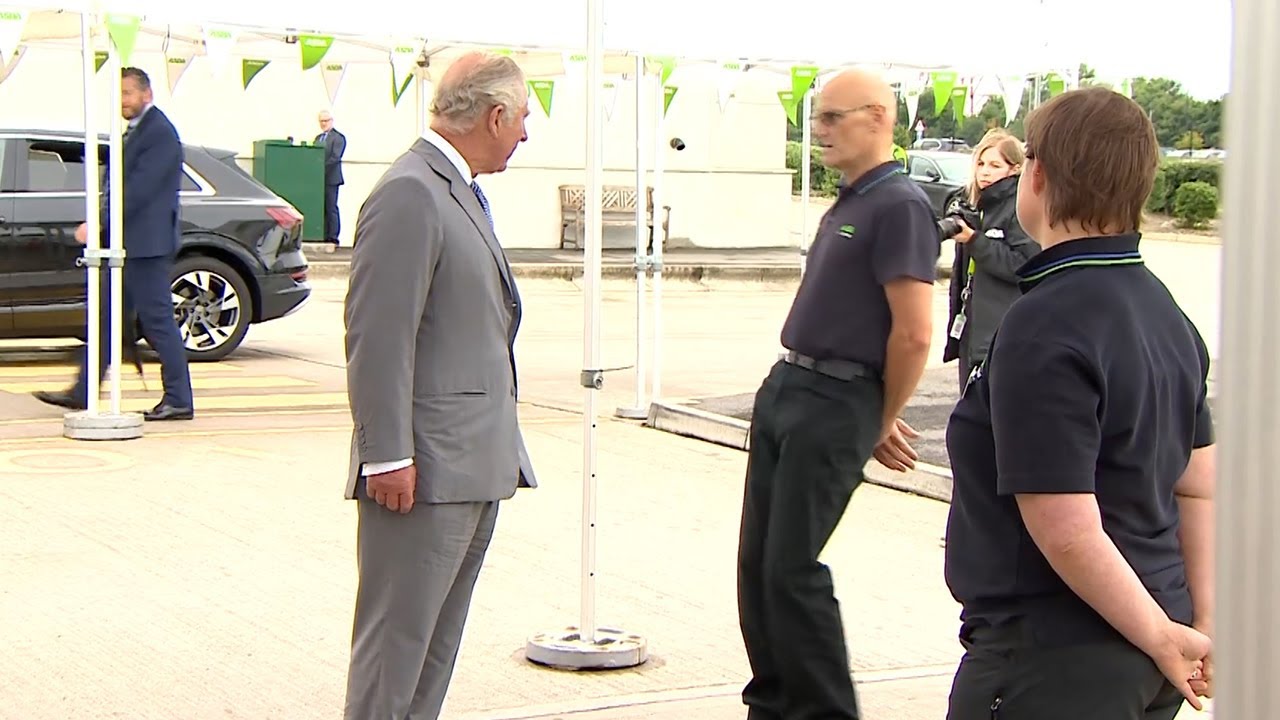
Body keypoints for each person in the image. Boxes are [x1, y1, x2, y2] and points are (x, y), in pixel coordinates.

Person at [941, 86, 1215, 719]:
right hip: (1152, 645)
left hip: (1055, 653)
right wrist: (1198, 621)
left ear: (1035, 175)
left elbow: (1065, 525)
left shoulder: (1044, 321)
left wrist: (1159, 634)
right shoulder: (1165, 312)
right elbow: (1199, 487)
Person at [736, 69, 938, 720]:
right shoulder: (852, 200)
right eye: (817, 118)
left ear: (877, 118)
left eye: (832, 118)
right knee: (759, 570)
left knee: (793, 572)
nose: (818, 131)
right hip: (790, 385)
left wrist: (878, 417)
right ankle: (772, 705)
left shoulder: (899, 205)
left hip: (837, 399)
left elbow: (913, 333)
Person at [341, 51, 536, 720]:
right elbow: (377, 336)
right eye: (523, 120)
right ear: (495, 115)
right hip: (422, 472)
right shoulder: (411, 191)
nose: (525, 136)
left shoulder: (455, 187)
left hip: (471, 466)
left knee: (431, 655)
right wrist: (386, 454)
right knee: (394, 656)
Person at [34, 66, 194, 421]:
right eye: (118, 94)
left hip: (147, 247)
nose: (122, 101)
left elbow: (137, 190)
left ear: (146, 95)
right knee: (106, 318)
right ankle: (83, 391)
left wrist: (99, 223)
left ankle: (179, 399)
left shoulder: (160, 133)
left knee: (157, 323)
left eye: (127, 93)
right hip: (128, 245)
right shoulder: (138, 131)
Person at [939, 129, 1039, 390]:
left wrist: (974, 240)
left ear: (1015, 169)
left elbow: (1023, 266)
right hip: (971, 334)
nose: (985, 172)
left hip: (1001, 337)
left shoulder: (1018, 208)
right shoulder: (975, 206)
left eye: (995, 165)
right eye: (981, 164)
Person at [315, 110, 346, 252]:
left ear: (332, 121)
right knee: (321, 207)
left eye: (326, 121)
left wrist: (321, 168)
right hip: (318, 179)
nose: (323, 124)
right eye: (321, 121)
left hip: (331, 178)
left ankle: (333, 236)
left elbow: (335, 157)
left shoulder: (338, 138)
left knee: (331, 207)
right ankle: (323, 234)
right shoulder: (318, 138)